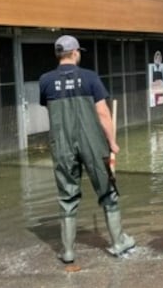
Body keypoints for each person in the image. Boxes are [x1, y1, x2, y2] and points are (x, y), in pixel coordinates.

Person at [39, 35, 135, 264]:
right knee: (107, 192)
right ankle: (118, 242)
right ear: (74, 53)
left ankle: (69, 251)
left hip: (61, 144)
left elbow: (50, 109)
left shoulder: (45, 80)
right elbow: (103, 114)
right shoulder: (90, 77)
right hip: (93, 143)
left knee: (67, 196)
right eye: (79, 51)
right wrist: (112, 142)